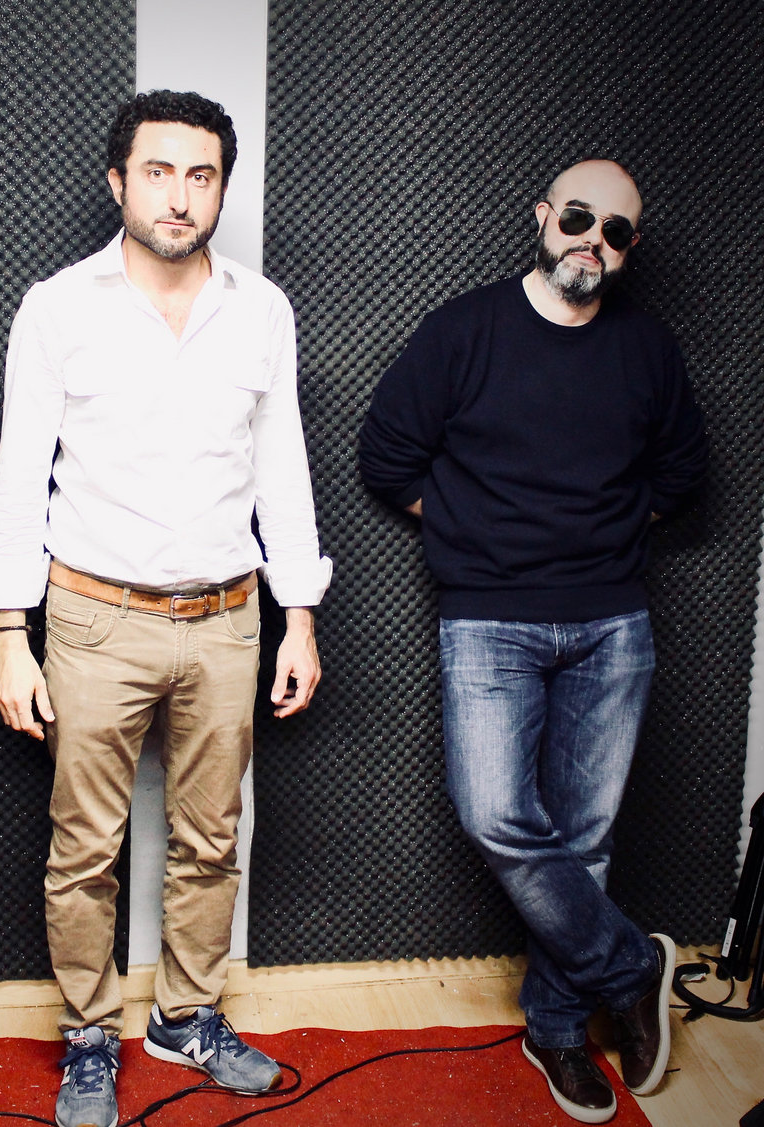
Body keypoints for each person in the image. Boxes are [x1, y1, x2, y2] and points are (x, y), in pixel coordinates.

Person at [0, 89, 332, 1127]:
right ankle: (90, 1033)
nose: (180, 195)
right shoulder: (57, 307)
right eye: (159, 171)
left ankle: (187, 1015)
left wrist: (299, 615)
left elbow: (283, 467)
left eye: (202, 175)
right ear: (119, 181)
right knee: (84, 847)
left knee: (211, 836)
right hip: (94, 618)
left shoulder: (262, 310)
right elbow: (17, 477)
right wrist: (9, 634)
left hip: (228, 618)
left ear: (222, 188)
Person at [359, 160, 707, 1123]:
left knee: (585, 837)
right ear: (546, 216)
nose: (594, 240)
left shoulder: (648, 348)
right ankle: (631, 967)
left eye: (617, 231)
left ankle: (556, 1028)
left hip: (613, 622)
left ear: (630, 249)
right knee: (497, 816)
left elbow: (685, 473)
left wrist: (608, 533)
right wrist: (476, 533)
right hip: (488, 618)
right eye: (580, 218)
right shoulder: (464, 330)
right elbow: (386, 455)